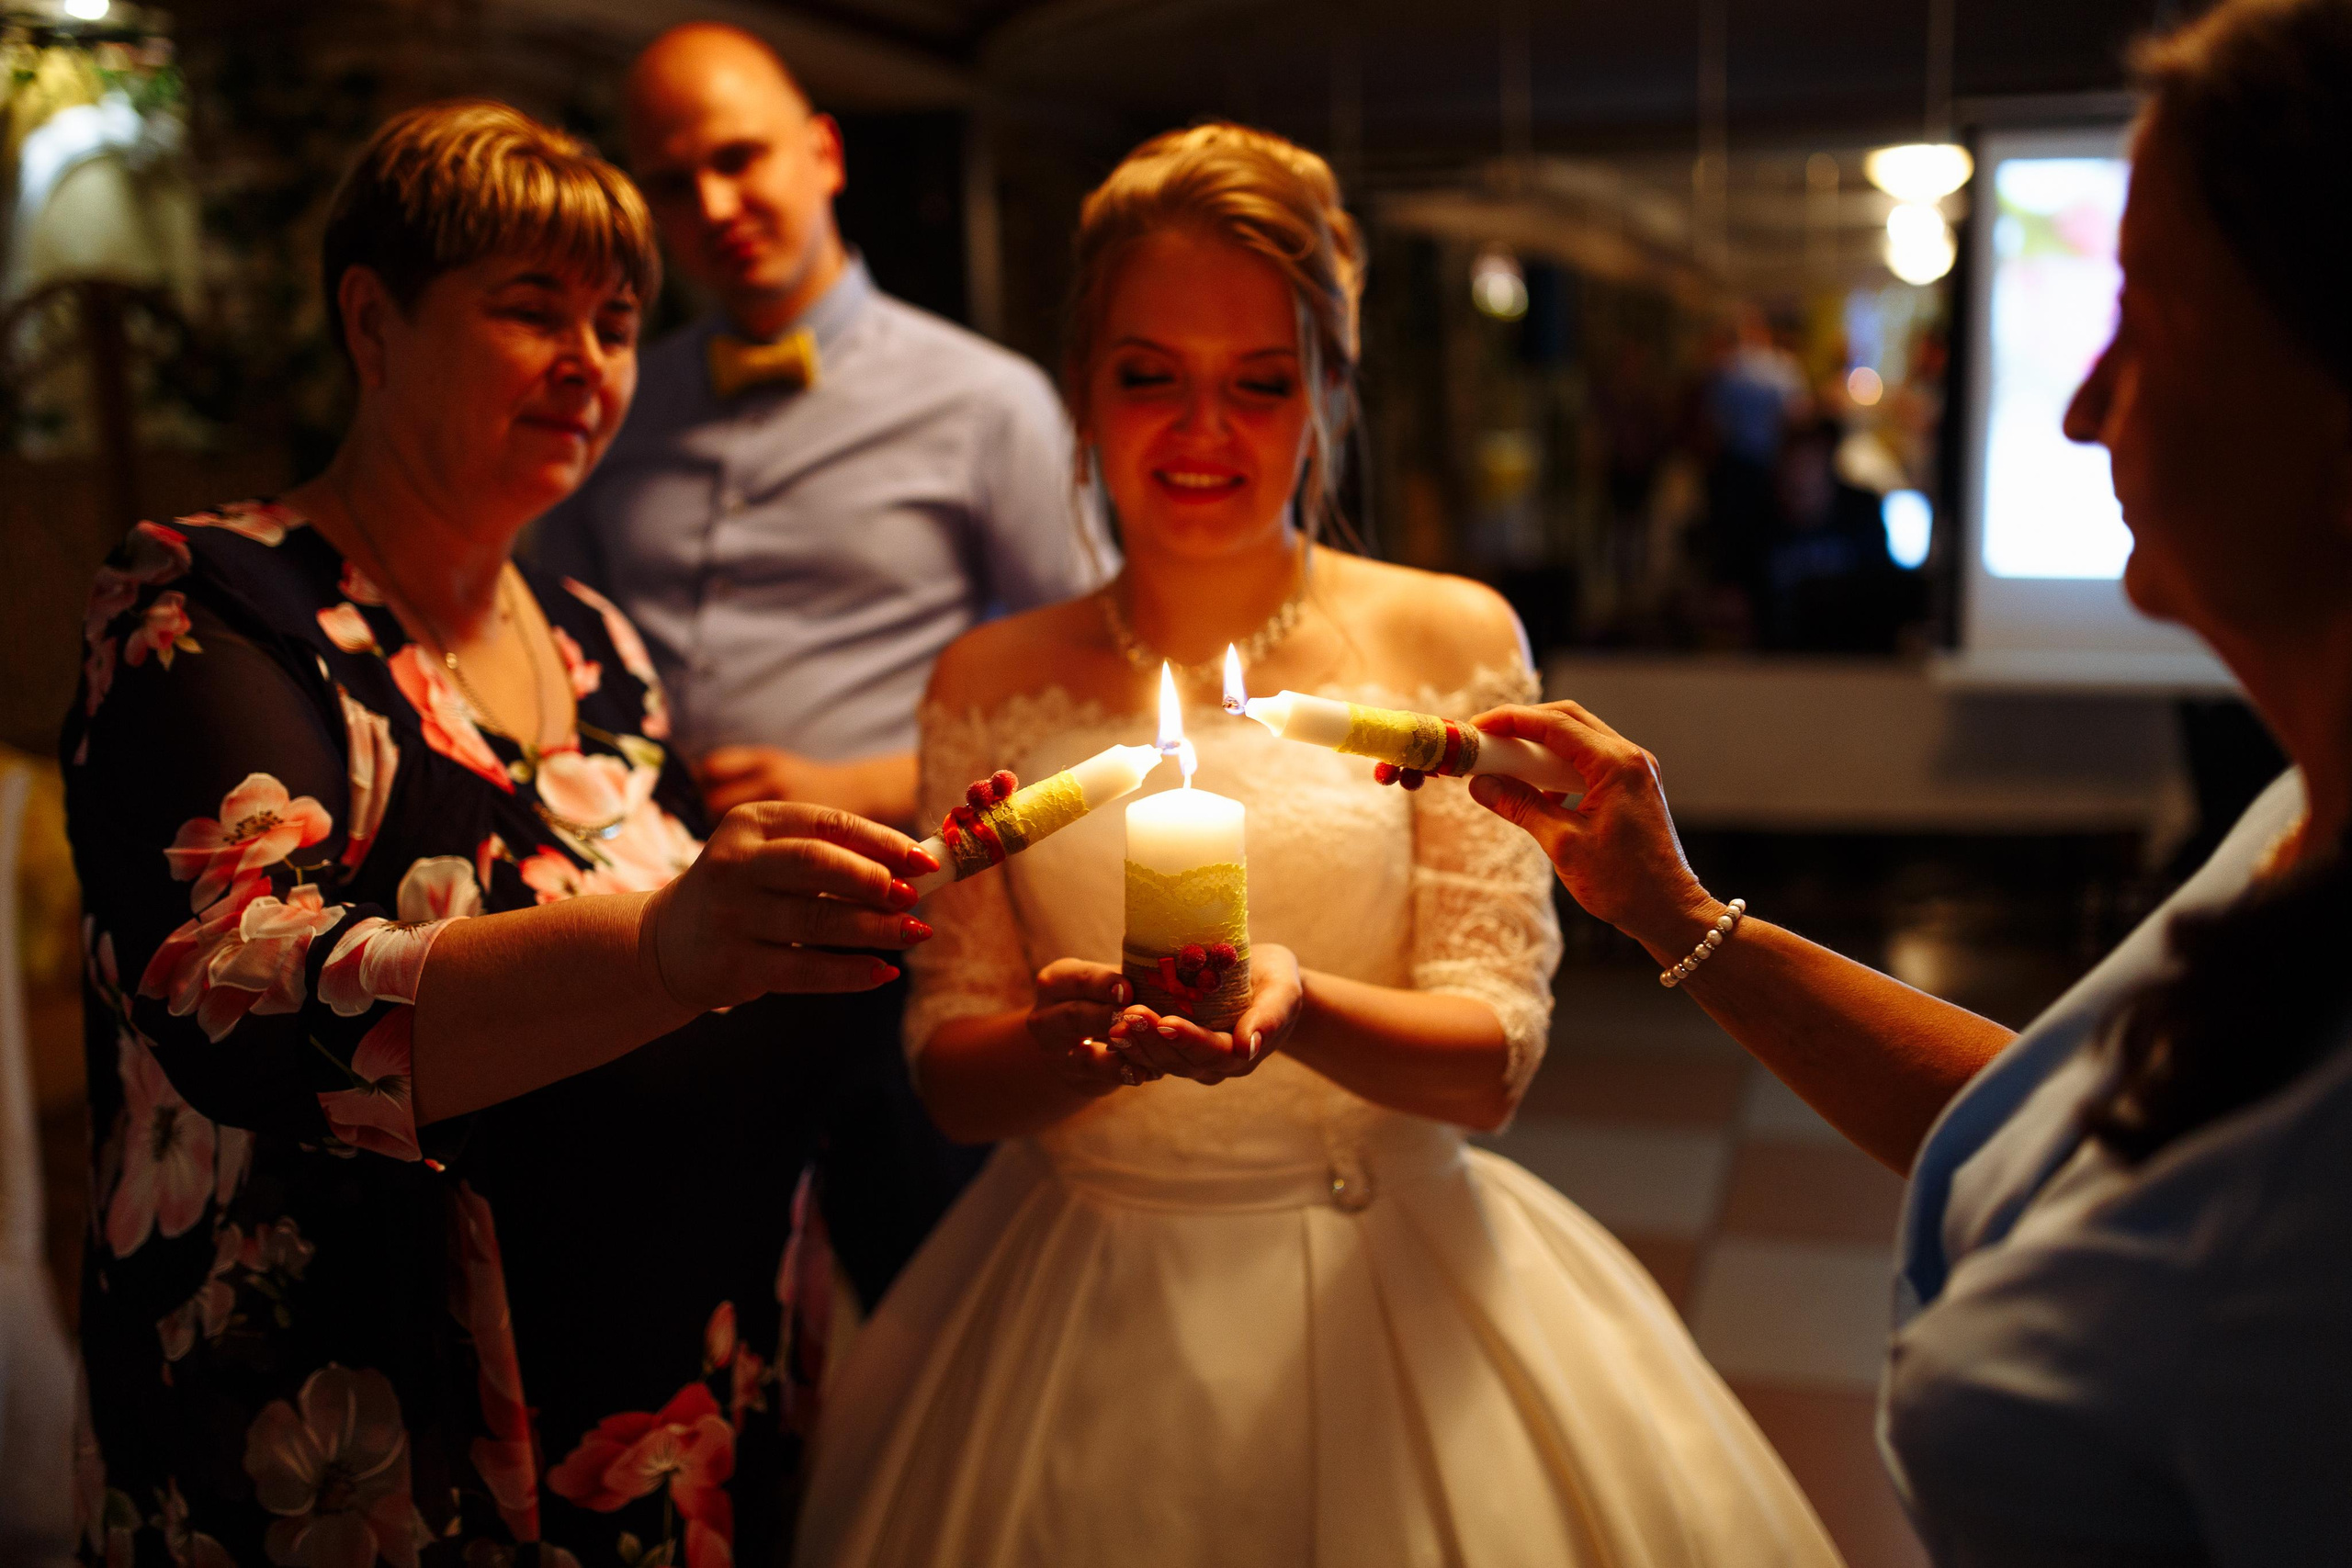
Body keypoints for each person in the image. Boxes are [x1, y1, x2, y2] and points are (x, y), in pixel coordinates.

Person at [793, 123, 1845, 1568]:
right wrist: (1066, 1042)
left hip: (1384, 1259)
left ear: (1329, 396)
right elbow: (953, 1078)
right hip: (1086, 1281)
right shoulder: (986, 679)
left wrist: (1293, 1007)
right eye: (1149, 376)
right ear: (1083, 395)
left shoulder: (1450, 637)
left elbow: (1494, 1063)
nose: (1203, 432)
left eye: (1260, 384)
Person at [1442, 0, 2352, 1559]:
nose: (2079, 405)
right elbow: (2049, 1130)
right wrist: (1671, 913)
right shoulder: (2295, 814)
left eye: (2149, 314)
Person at [62, 100, 934, 1568]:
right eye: (532, 310)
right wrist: (669, 945)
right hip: (363, 1435)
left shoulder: (600, 648)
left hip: (664, 1419)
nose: (587, 362)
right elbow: (244, 996)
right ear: (372, 319)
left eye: (613, 321)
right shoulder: (209, 603)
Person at [532, 23, 1106, 1305]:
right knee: (694, 1323)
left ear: (824, 151)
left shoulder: (987, 403)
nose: (716, 204)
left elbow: (1090, 705)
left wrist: (858, 786)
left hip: (902, 939)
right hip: (670, 939)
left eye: (741, 159)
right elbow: (545, 638)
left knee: (942, 1313)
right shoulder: (609, 401)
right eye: (674, 183)